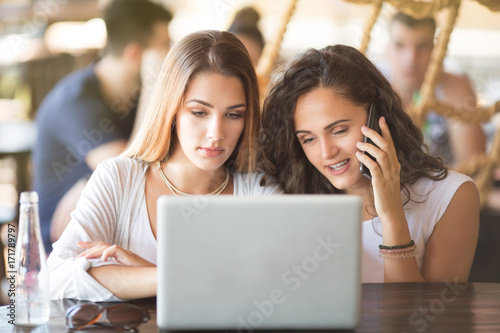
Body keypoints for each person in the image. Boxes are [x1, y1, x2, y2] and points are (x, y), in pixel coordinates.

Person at [46, 30, 282, 302]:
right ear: (172, 109)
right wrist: (167, 277)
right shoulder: (119, 178)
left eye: (233, 114)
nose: (216, 133)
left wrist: (144, 273)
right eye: (199, 112)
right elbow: (55, 279)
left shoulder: (259, 191)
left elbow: (271, 290)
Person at [259, 44, 479, 283]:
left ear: (377, 116)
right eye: (308, 139)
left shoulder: (452, 196)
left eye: (339, 130)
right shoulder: (289, 197)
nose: (326, 152)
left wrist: (392, 216)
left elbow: (419, 318)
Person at [32, 0, 173, 253]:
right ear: (135, 54)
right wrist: (155, 83)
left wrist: (87, 182)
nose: (171, 57)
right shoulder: (74, 100)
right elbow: (130, 173)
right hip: (64, 249)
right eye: (164, 47)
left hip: (116, 233)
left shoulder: (134, 97)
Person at [385, 12, 486, 167]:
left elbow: (474, 164)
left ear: (435, 50)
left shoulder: (454, 87)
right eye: (400, 45)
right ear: (388, 50)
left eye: (422, 46)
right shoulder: (373, 87)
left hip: (445, 186)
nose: (411, 58)